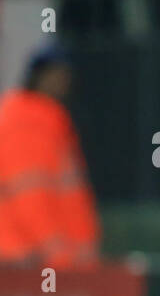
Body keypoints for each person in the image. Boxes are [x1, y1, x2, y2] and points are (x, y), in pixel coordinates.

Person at [0, 46, 100, 268]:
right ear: (39, 77)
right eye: (57, 74)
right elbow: (29, 194)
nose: (64, 82)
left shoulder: (44, 118)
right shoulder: (27, 121)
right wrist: (59, 256)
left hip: (36, 261)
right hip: (28, 262)